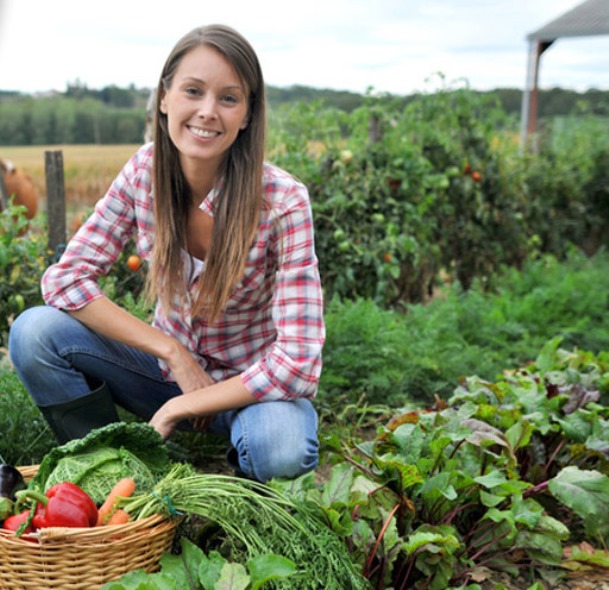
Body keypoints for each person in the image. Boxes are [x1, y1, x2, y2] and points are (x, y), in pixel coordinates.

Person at [9, 24, 325, 483]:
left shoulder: (282, 202)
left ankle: (237, 487)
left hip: (251, 391)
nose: (207, 112)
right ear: (164, 98)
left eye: (229, 98)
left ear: (248, 114)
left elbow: (298, 362)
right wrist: (172, 351)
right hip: (159, 374)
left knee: (278, 448)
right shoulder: (144, 172)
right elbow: (65, 280)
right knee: (34, 332)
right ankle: (119, 472)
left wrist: (187, 402)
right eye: (192, 91)